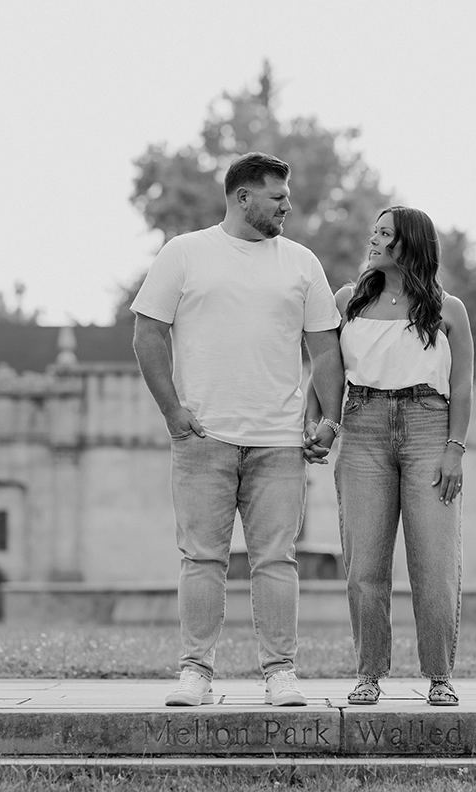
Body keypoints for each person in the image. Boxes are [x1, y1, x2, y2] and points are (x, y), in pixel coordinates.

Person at [131, 152, 346, 707]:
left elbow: (326, 350)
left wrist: (329, 419)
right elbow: (147, 334)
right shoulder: (184, 253)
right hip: (204, 438)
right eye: (278, 197)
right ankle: (195, 673)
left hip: (280, 442)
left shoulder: (301, 263)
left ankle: (280, 673)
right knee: (203, 558)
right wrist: (173, 413)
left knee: (276, 559)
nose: (287, 206)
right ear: (243, 197)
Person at [305, 205, 473, 707]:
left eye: (384, 233)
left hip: (429, 427)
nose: (373, 240)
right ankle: (369, 673)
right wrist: (320, 422)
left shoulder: (448, 310)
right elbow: (324, 367)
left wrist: (455, 449)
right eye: (374, 231)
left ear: (410, 244)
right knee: (364, 565)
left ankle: (439, 675)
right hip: (363, 427)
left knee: (435, 563)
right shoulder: (347, 301)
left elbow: (463, 386)